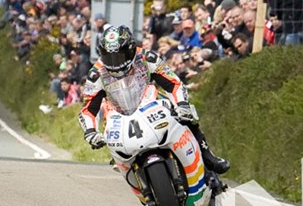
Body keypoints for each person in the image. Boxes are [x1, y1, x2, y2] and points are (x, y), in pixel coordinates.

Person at [78, 25, 230, 175]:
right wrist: (91, 132)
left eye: (120, 56)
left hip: (150, 101)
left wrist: (181, 105)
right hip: (119, 113)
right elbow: (88, 109)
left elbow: (173, 83)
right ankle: (122, 161)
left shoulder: (146, 57)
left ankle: (208, 156)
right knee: (110, 134)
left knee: (187, 114)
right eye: (108, 57)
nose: (115, 63)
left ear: (131, 49)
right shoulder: (96, 74)